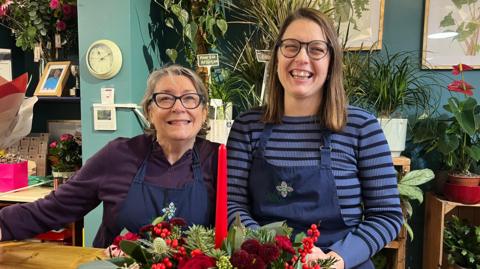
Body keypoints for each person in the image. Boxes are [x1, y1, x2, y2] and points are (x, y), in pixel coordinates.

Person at [227, 8, 403, 269]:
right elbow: (233, 204)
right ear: (276, 56)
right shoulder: (248, 126)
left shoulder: (361, 127)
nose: (301, 58)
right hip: (266, 261)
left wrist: (334, 260)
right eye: (291, 46)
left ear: (331, 60)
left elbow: (386, 215)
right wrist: (271, 252)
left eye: (316, 49)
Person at [0, 64, 219, 247]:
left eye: (190, 98)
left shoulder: (219, 160)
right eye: (165, 98)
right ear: (149, 111)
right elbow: (52, 209)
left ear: (204, 111)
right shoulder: (118, 155)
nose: (178, 107)